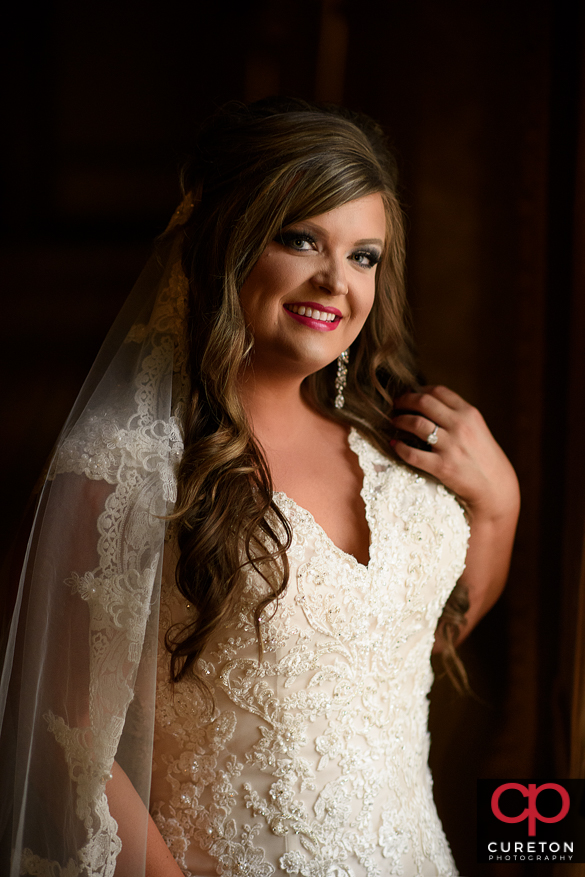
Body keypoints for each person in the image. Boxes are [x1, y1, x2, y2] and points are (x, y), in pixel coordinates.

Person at [0, 98, 520, 877]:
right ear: (225, 247)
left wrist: (498, 504)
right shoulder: (128, 463)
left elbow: (408, 648)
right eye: (299, 238)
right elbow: (66, 740)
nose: (334, 280)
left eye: (363, 255)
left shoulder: (392, 438)